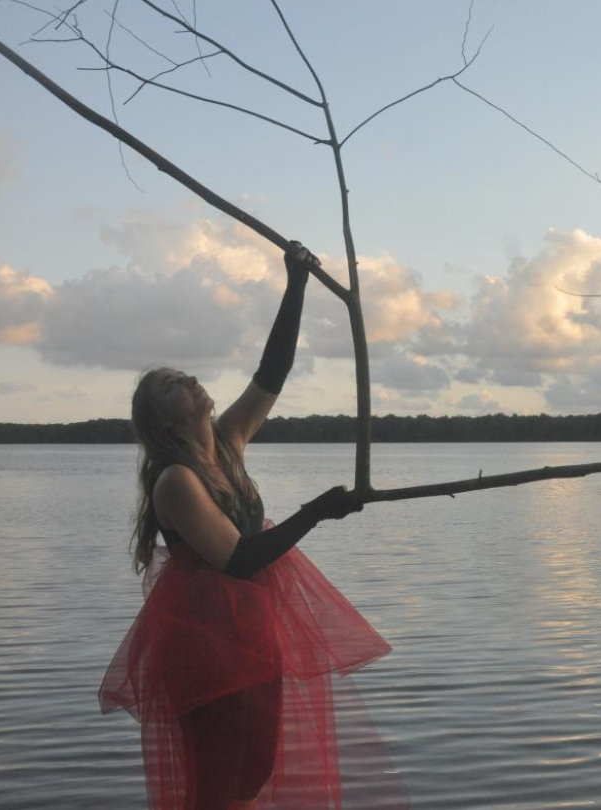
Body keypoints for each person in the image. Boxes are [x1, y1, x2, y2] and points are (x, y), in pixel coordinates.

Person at [99, 243, 393, 810]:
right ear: (163, 419)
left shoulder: (228, 443)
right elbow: (239, 558)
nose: (188, 380)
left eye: (183, 375)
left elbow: (273, 371)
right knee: (216, 784)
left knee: (255, 771)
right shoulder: (175, 481)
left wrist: (297, 282)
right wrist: (315, 512)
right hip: (205, 644)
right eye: (173, 386)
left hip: (253, 634)